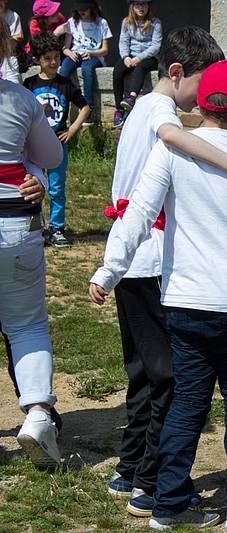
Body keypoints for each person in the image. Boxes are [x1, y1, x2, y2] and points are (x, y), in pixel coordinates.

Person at [90, 59, 227, 531]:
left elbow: (136, 214)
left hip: (186, 299)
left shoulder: (169, 152)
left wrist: (109, 271)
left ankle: (169, 503)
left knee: (187, 403)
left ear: (201, 106)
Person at [0, 29, 64, 469]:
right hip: (14, 222)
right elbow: (52, 157)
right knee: (26, 324)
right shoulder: (21, 100)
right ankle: (39, 413)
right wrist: (33, 173)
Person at [24, 31, 91, 247]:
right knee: (33, 187)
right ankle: (34, 228)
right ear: (37, 59)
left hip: (57, 146)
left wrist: (72, 129)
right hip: (33, 146)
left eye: (56, 57)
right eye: (48, 58)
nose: (53, 62)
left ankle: (56, 228)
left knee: (56, 189)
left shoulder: (65, 83)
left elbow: (85, 107)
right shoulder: (29, 84)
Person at [112, 0, 162, 128]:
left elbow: (155, 46)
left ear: (148, 6)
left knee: (141, 68)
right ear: (132, 7)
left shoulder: (155, 23)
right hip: (130, 56)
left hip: (149, 57)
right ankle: (119, 109)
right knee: (117, 71)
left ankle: (131, 97)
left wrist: (139, 58)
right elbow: (123, 42)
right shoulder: (126, 22)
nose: (141, 8)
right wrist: (125, 57)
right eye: (137, 5)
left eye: (144, 4)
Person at [58, 0, 111, 118]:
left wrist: (91, 53)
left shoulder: (102, 23)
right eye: (79, 9)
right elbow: (65, 47)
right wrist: (69, 53)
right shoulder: (72, 22)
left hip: (94, 55)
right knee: (64, 70)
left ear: (91, 7)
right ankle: (61, 102)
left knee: (87, 69)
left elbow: (105, 50)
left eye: (84, 9)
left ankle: (88, 107)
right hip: (75, 53)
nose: (81, 12)